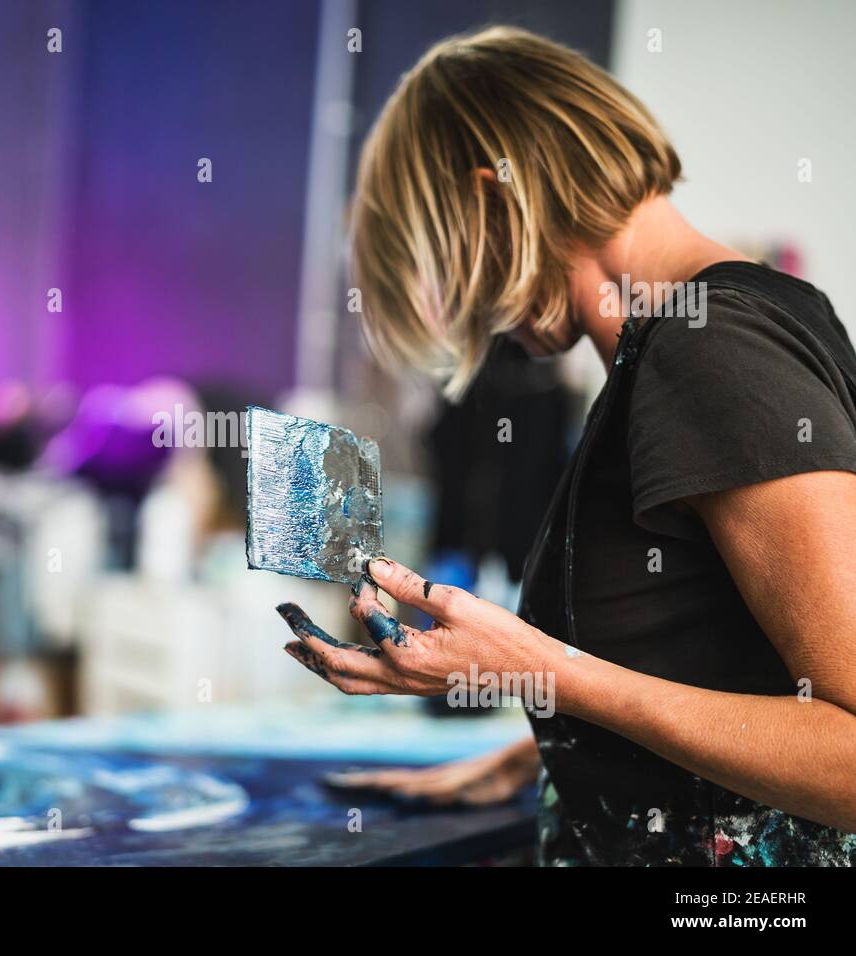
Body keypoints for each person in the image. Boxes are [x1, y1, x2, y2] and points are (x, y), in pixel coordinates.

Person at [278, 26, 856, 866]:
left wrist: (543, 674)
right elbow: (720, 653)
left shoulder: (710, 345)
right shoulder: (677, 346)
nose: (478, 320)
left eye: (457, 274)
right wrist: (559, 751)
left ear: (495, 198)